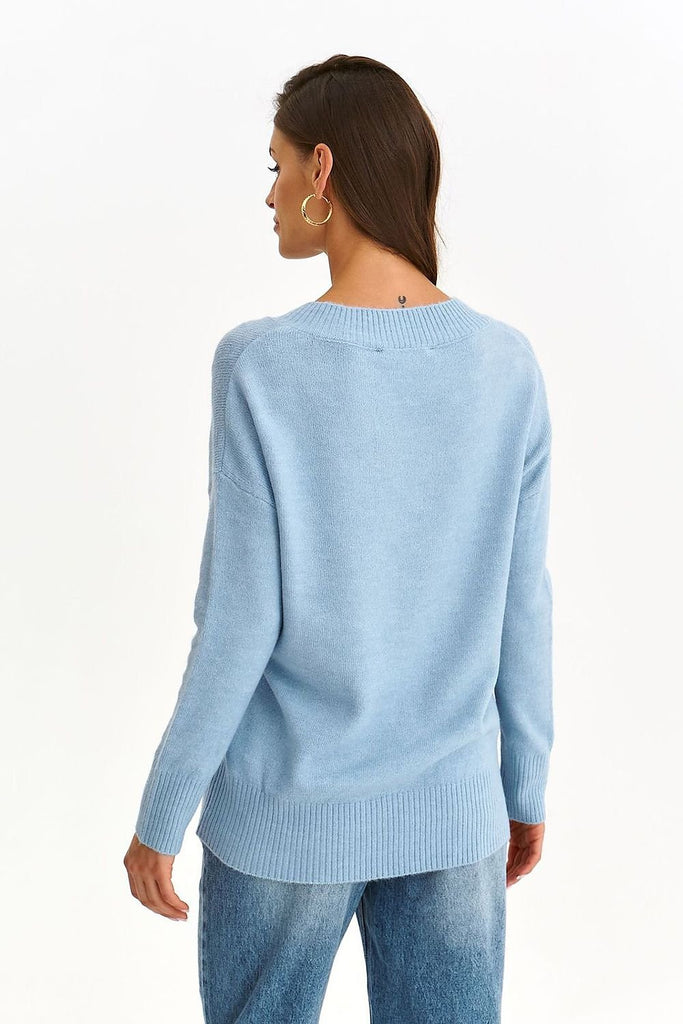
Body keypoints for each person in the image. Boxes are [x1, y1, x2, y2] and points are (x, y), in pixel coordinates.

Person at [123, 53, 554, 1024]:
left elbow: (239, 622)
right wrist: (523, 787)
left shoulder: (262, 365)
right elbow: (521, 604)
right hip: (452, 813)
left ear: (321, 169)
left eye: (275, 166)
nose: (269, 194)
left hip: (286, 815)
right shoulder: (505, 366)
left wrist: (163, 812)